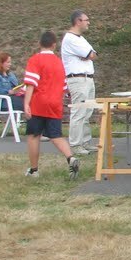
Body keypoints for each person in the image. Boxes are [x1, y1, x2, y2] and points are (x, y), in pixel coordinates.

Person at [22, 30, 79, 179]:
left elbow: (31, 83)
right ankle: (71, 158)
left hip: (38, 103)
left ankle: (34, 170)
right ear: (54, 45)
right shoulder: (59, 63)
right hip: (55, 103)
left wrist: (26, 103)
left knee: (34, 135)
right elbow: (64, 87)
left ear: (39, 43)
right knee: (56, 135)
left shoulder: (35, 60)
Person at [61, 9, 98, 156]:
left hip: (88, 78)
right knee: (79, 111)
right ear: (78, 21)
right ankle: (76, 144)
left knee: (87, 111)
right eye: (86, 20)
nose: (88, 22)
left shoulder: (81, 38)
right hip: (77, 79)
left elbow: (94, 54)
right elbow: (90, 54)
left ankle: (85, 142)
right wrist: (88, 55)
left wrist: (89, 55)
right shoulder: (70, 38)